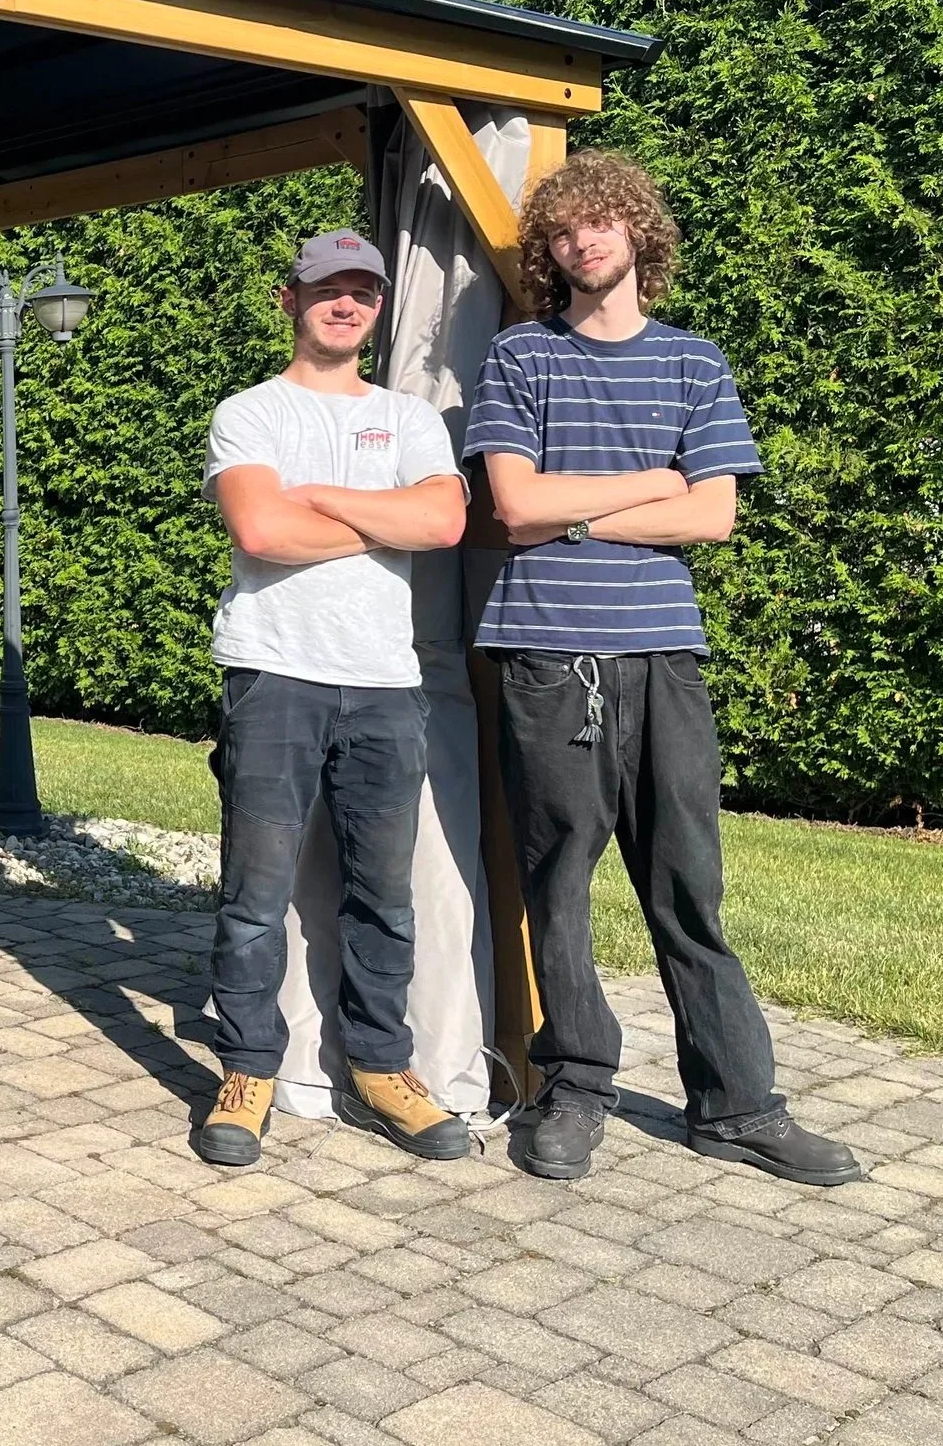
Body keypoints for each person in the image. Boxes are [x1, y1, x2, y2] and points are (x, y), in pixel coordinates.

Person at [464, 151, 858, 1186]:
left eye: (603, 222)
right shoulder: (518, 359)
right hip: (546, 656)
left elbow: (714, 514)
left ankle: (735, 1105)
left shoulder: (694, 363)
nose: (584, 239)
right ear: (549, 251)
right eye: (563, 229)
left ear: (639, 233)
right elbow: (513, 507)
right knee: (558, 890)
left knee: (688, 887)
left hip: (663, 655)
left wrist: (577, 502)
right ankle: (576, 1086)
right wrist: (647, 481)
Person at [193, 229, 472, 1167]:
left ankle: (382, 1065)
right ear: (290, 300)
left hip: (385, 683)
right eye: (326, 289)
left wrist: (325, 500)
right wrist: (381, 521)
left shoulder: (410, 418)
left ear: (380, 307)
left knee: (383, 896)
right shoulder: (249, 412)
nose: (344, 304)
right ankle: (246, 1070)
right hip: (272, 673)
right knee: (255, 895)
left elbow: (443, 519)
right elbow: (263, 532)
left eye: (362, 291)